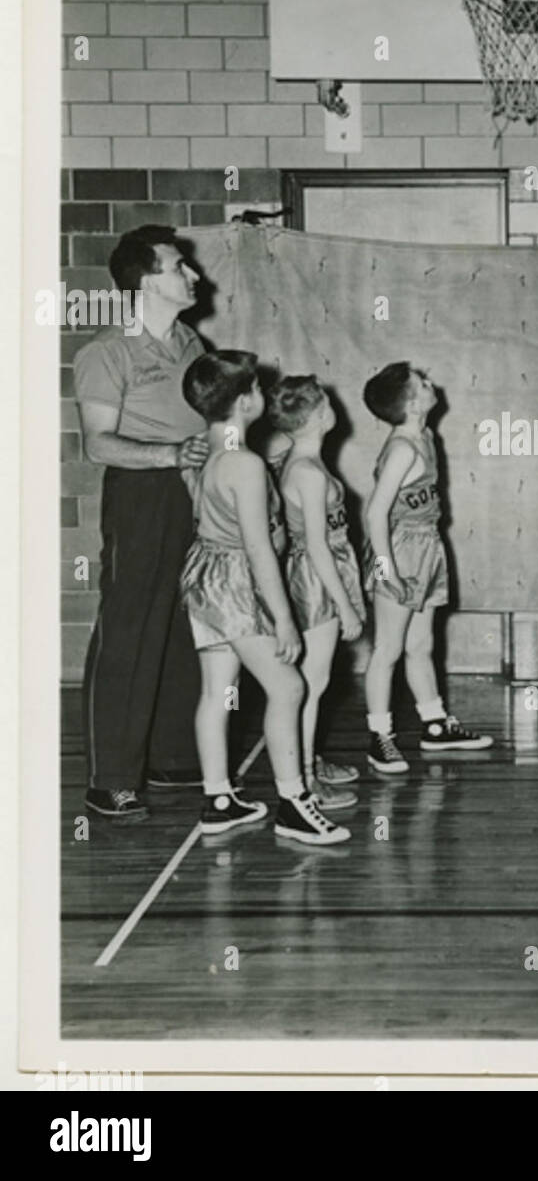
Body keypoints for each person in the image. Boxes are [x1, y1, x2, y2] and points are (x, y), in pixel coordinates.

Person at [180, 350, 349, 845]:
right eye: (255, 387)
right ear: (245, 401)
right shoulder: (246, 464)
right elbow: (258, 549)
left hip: (205, 574)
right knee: (290, 687)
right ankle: (295, 804)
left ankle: (219, 799)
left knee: (217, 691)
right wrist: (285, 620)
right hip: (234, 582)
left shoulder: (210, 451)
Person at [75, 226, 208, 819]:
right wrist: (171, 455)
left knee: (186, 622)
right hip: (141, 494)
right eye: (181, 267)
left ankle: (171, 755)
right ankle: (112, 777)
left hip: (194, 493)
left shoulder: (193, 345)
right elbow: (99, 444)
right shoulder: (107, 351)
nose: (194, 277)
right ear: (148, 280)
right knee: (129, 625)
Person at [361, 363, 492, 773]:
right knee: (388, 649)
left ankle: (434, 724)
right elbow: (374, 513)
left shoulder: (425, 436)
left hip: (427, 545)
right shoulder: (402, 448)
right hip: (399, 550)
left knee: (421, 646)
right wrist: (386, 571)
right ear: (412, 402)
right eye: (423, 383)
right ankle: (379, 736)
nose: (431, 384)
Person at [267, 376, 366, 811]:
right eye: (327, 402)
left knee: (314, 681)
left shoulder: (302, 458)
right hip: (316, 576)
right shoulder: (306, 472)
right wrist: (345, 606)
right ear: (316, 417)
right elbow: (318, 546)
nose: (333, 408)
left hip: (323, 568)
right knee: (312, 682)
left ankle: (308, 763)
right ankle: (304, 781)